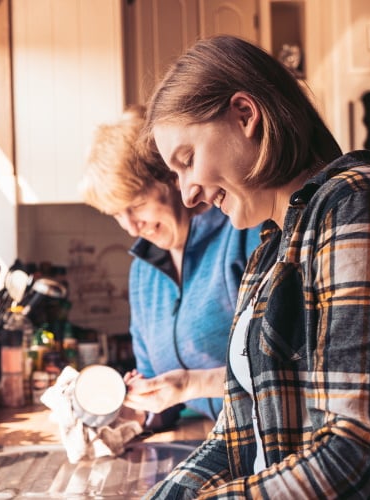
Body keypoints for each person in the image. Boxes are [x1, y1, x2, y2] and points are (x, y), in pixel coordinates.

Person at [140, 35, 370, 498]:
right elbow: (235, 439)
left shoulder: (363, 204)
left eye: (188, 160)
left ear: (245, 115)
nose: (187, 195)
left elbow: (360, 454)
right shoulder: (272, 250)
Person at [79, 105, 261, 430]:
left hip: (269, 438)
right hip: (210, 437)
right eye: (117, 215)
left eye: (136, 206)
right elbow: (160, 391)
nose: (132, 228)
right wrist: (139, 402)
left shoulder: (243, 231)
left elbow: (281, 363)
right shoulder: (142, 273)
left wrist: (190, 384)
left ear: (171, 179)